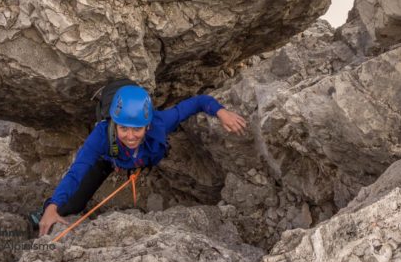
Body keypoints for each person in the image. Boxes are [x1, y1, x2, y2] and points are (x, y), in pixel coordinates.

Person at [38, 85, 247, 236]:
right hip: (110, 161)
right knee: (71, 204)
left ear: (147, 126)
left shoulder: (160, 123)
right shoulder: (101, 136)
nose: (130, 136)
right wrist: (52, 207)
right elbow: (77, 171)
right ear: (114, 124)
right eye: (123, 128)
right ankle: (41, 216)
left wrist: (221, 111)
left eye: (137, 128)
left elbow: (197, 103)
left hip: (144, 158)